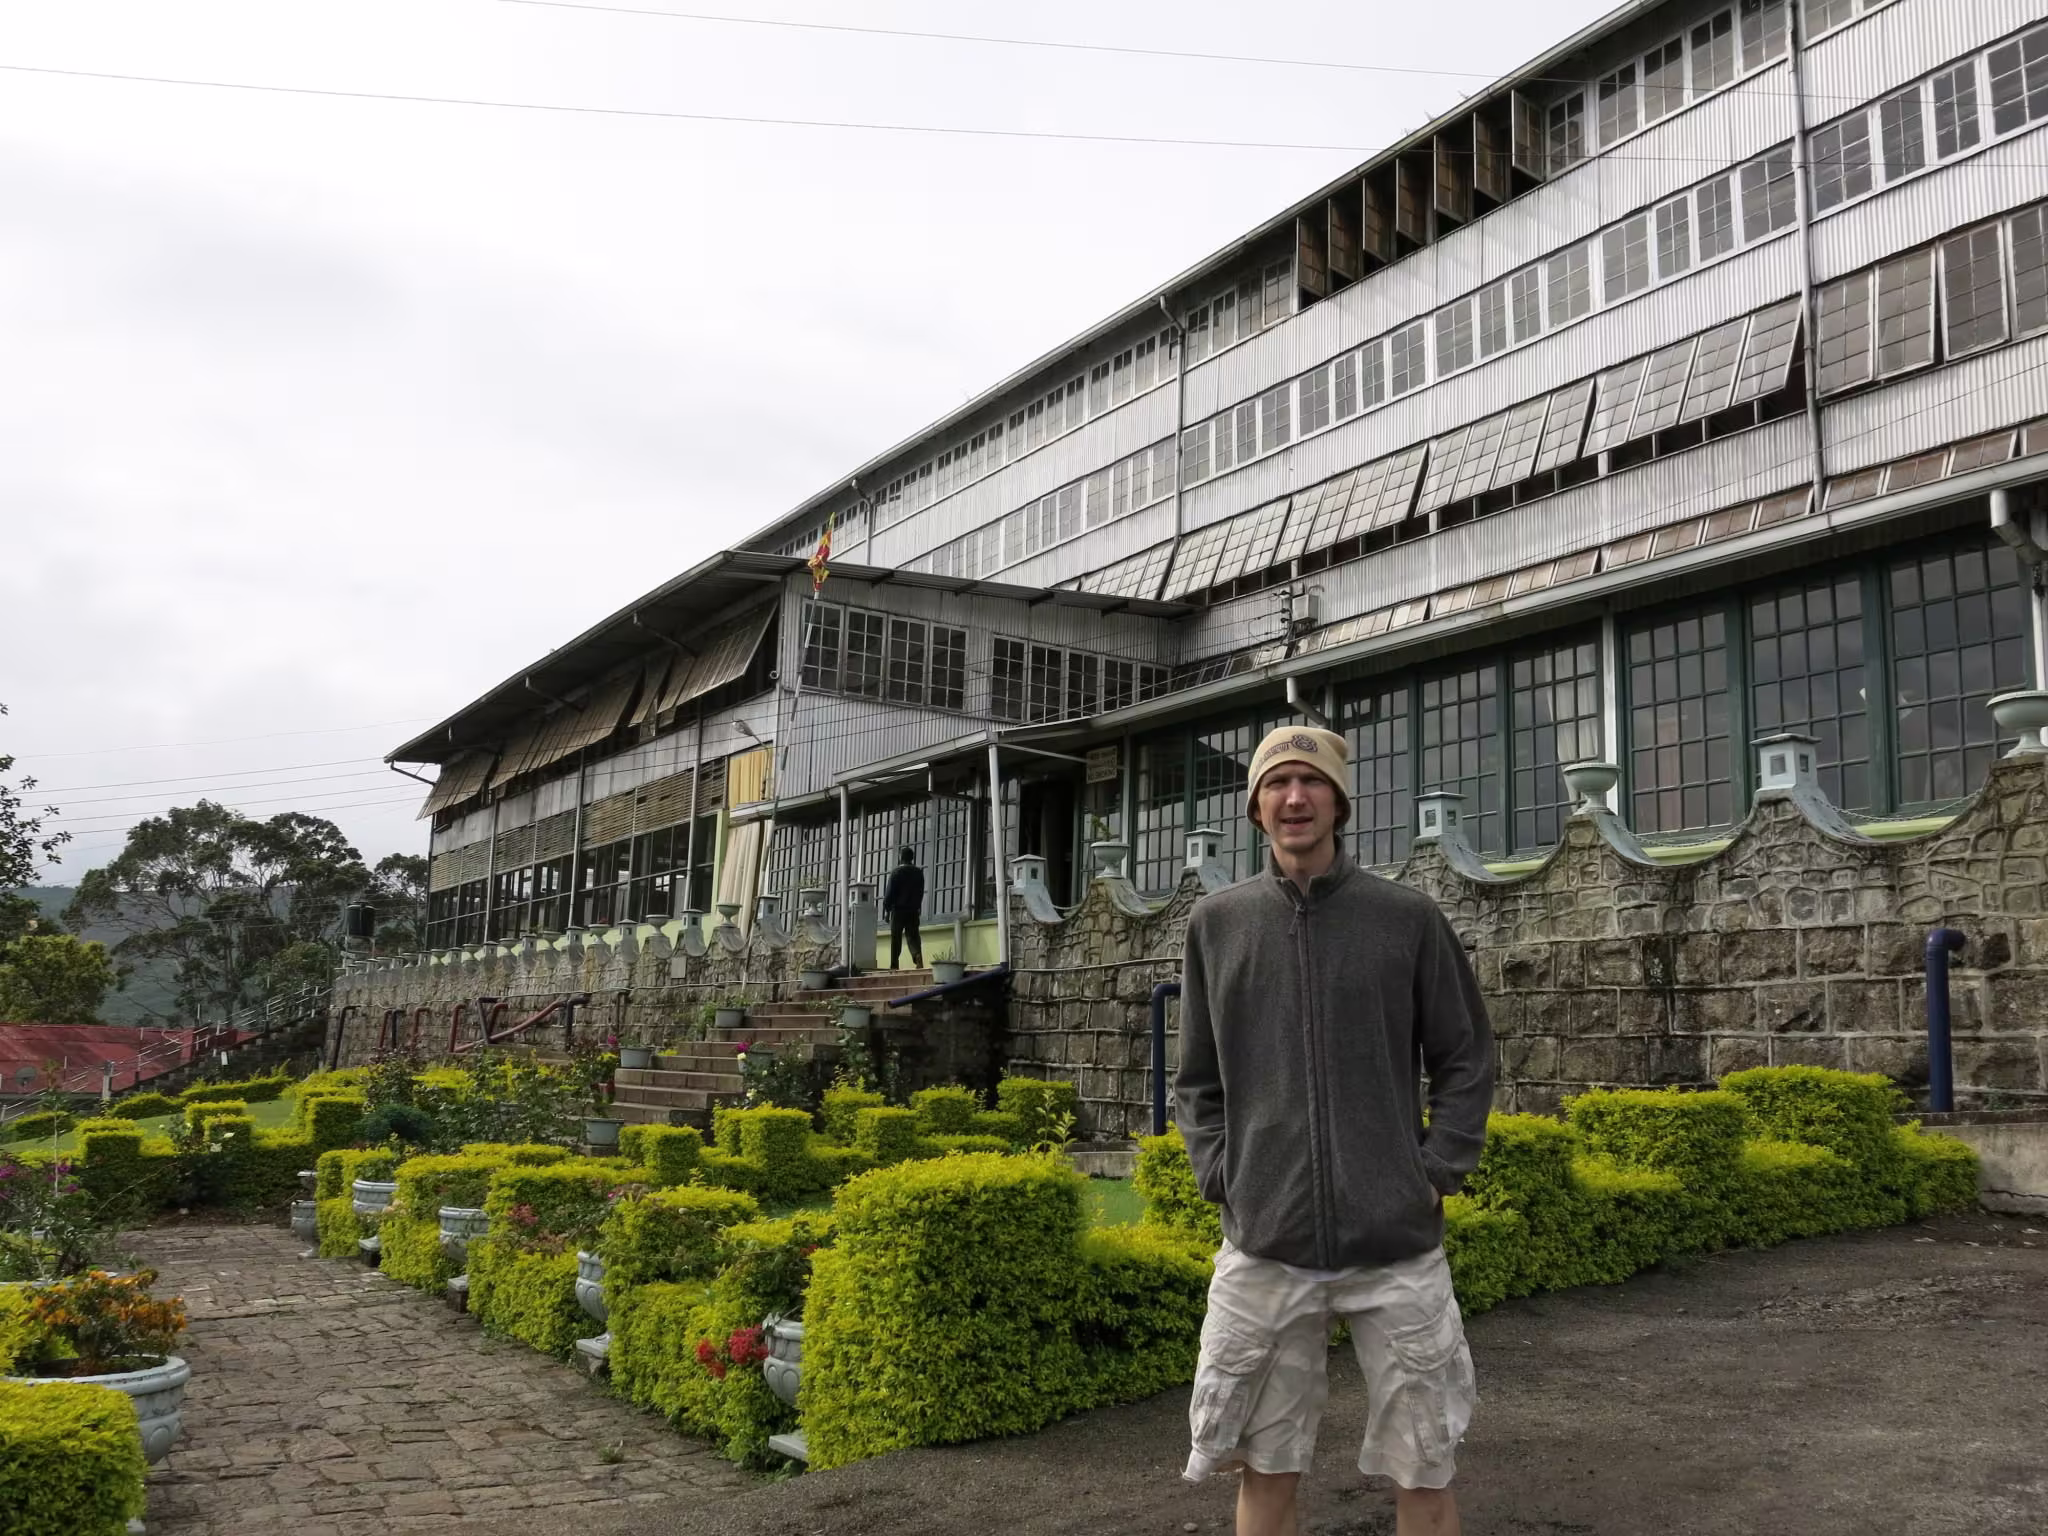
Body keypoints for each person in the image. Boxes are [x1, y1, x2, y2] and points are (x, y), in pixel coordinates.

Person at [1174, 726, 1494, 1536]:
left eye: (1311, 783)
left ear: (1339, 800)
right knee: (1264, 1464)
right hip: (1265, 1244)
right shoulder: (1218, 925)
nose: (1294, 798)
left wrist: (1434, 1170)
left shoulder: (1406, 918)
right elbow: (1197, 1082)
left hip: (1396, 1245)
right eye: (1276, 783)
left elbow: (1466, 1057)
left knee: (1425, 1462)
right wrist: (1225, 1173)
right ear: (1254, 806)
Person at [880, 845, 925, 970]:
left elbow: (889, 894)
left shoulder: (896, 873)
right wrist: (918, 907)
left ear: (901, 857)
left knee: (896, 938)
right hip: (913, 910)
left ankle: (894, 965)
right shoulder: (918, 873)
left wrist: (887, 910)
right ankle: (917, 956)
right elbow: (920, 892)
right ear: (912, 858)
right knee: (913, 936)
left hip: (898, 910)